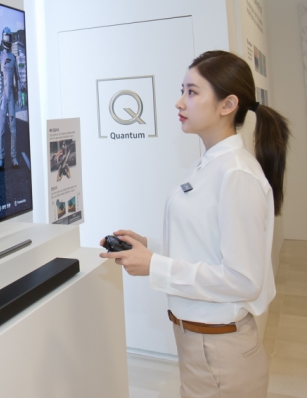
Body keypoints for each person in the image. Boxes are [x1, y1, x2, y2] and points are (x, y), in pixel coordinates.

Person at [100, 50, 290, 398]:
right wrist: (150, 247)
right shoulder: (209, 164)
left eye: (192, 92)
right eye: (182, 91)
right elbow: (209, 243)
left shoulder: (236, 174)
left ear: (227, 104)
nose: (179, 102)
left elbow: (244, 279)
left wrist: (155, 266)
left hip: (220, 352)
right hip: (199, 344)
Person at [0, 27, 21, 170]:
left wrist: (20, 95)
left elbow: (18, 78)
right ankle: (1, 158)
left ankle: (14, 157)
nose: (9, 41)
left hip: (11, 96)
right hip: (3, 98)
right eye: (7, 38)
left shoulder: (14, 58)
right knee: (1, 130)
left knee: (13, 129)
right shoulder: (0, 57)